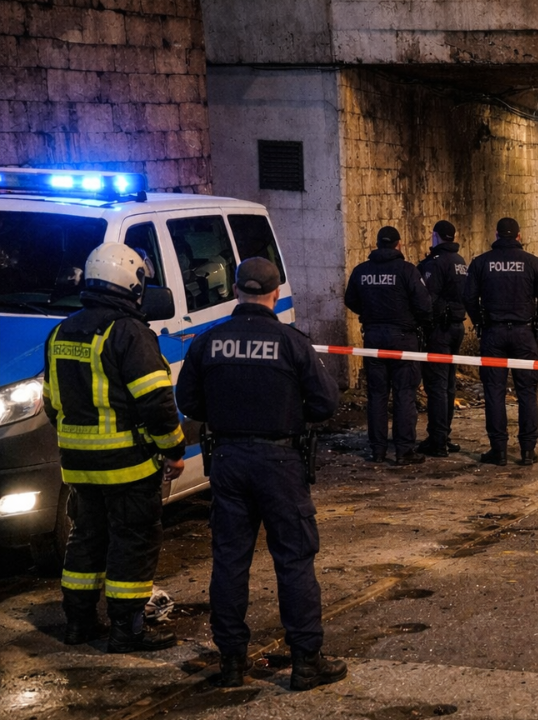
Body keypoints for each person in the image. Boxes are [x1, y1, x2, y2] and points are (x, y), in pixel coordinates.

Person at [175, 258, 345, 690]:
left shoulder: (208, 342)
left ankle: (232, 662)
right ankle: (306, 661)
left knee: (230, 561)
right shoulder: (291, 342)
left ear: (235, 291)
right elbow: (326, 403)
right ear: (274, 293)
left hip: (229, 461)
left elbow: (190, 404)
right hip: (280, 463)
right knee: (294, 559)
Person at [42, 243, 185, 652]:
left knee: (86, 538)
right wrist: (173, 448)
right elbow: (156, 401)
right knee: (132, 541)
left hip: (77, 466)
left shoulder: (60, 331)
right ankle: (127, 630)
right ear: (131, 283)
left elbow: (52, 401)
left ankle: (79, 624)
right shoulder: (128, 333)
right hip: (127, 465)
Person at [463, 217, 538, 467]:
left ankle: (499, 450)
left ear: (496, 234)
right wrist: (536, 322)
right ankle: (527, 450)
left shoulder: (481, 262)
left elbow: (469, 297)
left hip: (493, 333)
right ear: (519, 236)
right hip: (524, 334)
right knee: (527, 392)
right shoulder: (533, 263)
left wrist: (480, 322)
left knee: (494, 391)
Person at [343, 226, 432, 466]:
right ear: (398, 244)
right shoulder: (407, 271)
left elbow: (350, 299)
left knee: (377, 395)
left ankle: (378, 450)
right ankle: (404, 450)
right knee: (404, 394)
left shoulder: (362, 271)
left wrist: (371, 314)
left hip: (373, 338)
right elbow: (424, 306)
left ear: (377, 244)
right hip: (403, 338)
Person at [416, 220, 469, 456]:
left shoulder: (435, 264)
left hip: (440, 330)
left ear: (435, 236)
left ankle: (437, 440)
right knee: (447, 385)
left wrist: (424, 326)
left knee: (436, 385)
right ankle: (443, 435)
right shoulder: (460, 262)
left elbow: (427, 299)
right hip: (457, 327)